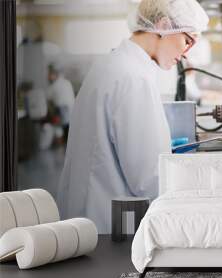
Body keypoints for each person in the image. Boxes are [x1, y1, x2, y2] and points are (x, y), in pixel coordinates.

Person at [57, 0, 209, 233]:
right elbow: (149, 179)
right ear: (163, 25)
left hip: (88, 218)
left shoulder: (113, 65)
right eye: (187, 40)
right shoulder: (133, 78)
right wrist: (199, 190)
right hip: (108, 225)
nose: (186, 54)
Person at [47, 64, 75, 142]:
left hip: (61, 108)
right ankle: (65, 142)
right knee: (67, 127)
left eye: (50, 75)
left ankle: (61, 142)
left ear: (55, 74)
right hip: (70, 108)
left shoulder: (54, 85)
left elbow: (49, 98)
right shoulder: (66, 82)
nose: (48, 77)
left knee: (60, 126)